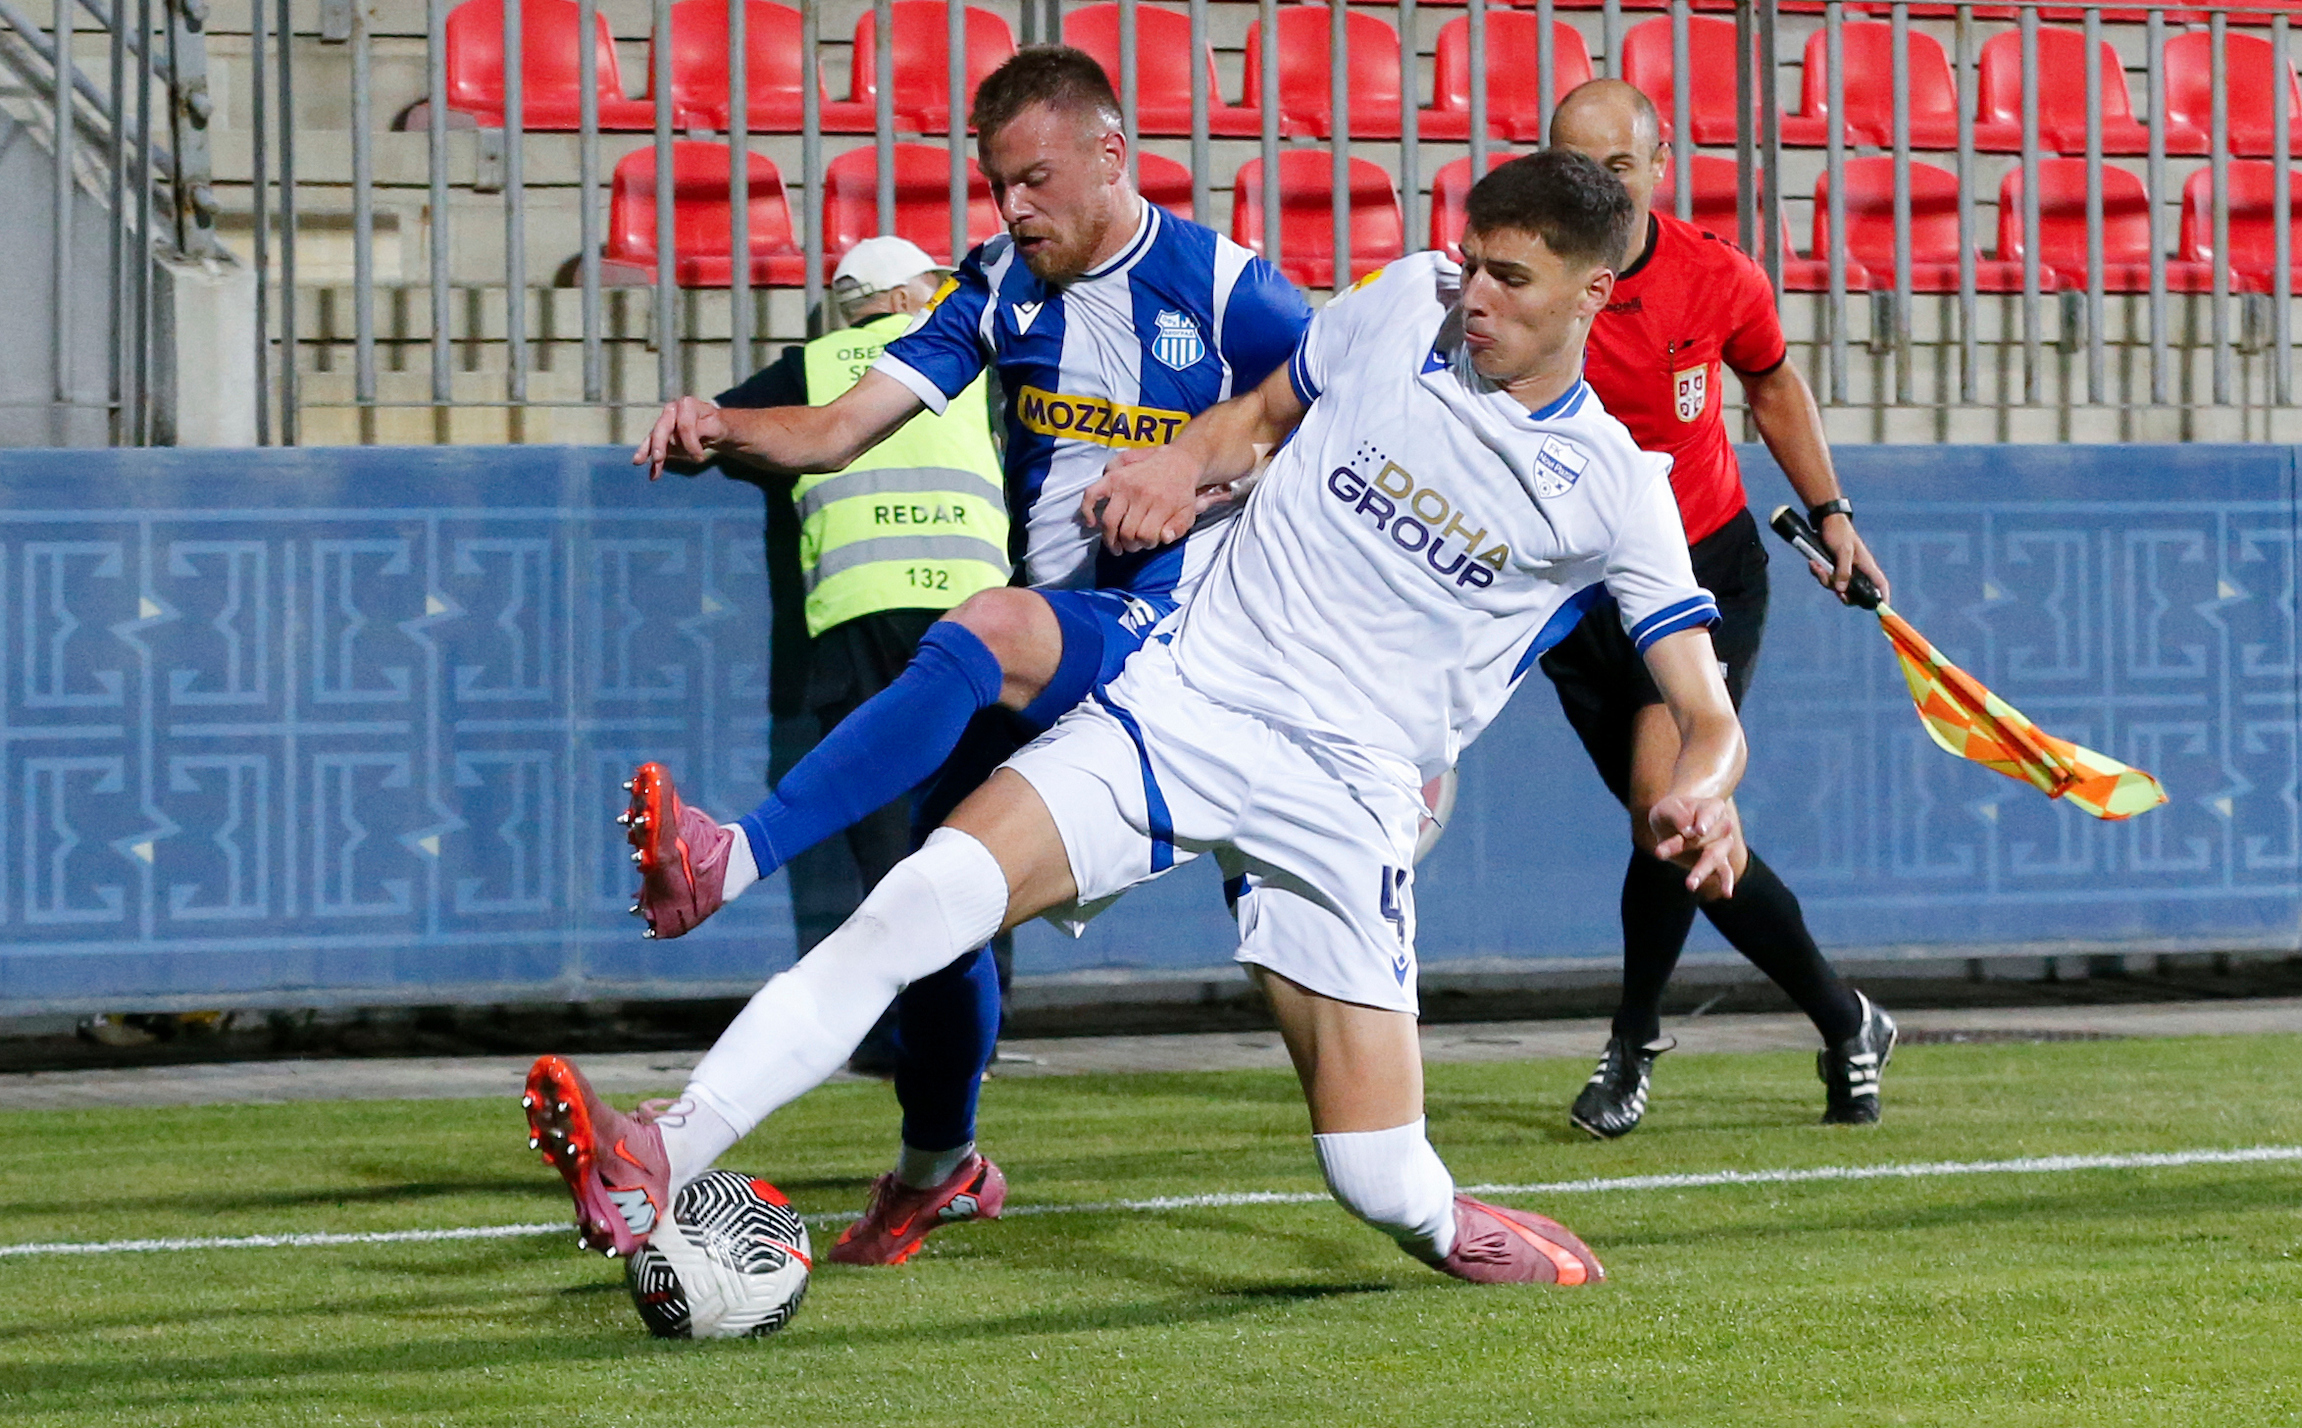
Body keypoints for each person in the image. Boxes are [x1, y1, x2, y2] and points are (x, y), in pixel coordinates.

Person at [527, 150, 1739, 1286]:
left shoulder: (1617, 490)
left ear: (1595, 289)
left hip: (1352, 787)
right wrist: (1186, 465)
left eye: (1510, 277)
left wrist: (1703, 788)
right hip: (1195, 694)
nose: (1472, 291)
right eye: (1470, 258)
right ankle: (661, 1156)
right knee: (916, 903)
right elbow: (1263, 412)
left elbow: (1701, 706)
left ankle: (1458, 1223)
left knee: (1375, 1181)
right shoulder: (1401, 303)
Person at [616, 47, 1312, 1265]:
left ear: (1112, 155)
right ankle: (938, 1168)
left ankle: (731, 860)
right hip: (1065, 640)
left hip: (1187, 640)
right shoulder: (997, 287)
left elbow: (1336, 421)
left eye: (1034, 180)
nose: (1013, 210)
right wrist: (723, 426)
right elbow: (835, 430)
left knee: (982, 621)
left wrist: (1205, 464)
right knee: (927, 897)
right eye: (996, 186)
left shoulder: (1232, 291)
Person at [1542, 80, 1898, 1138]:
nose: (1594, 186)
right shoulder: (1518, 281)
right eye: (1573, 164)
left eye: (1616, 166)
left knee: (1671, 812)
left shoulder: (1715, 278)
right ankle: (1848, 1020)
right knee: (1672, 829)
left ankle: (1633, 1043)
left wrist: (1833, 514)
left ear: (1659, 163)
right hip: (1567, 596)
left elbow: (1775, 386)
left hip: (1697, 580)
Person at [695, 235, 1009, 1075]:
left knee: (881, 830)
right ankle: (976, 1029)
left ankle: (895, 1030)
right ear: (906, 295)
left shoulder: (814, 365)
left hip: (860, 614)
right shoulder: (968, 359)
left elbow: (722, 432)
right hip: (975, 615)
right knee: (982, 822)